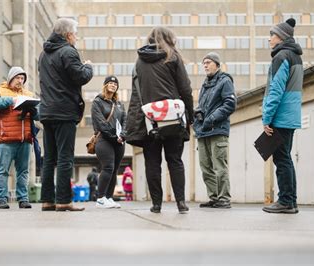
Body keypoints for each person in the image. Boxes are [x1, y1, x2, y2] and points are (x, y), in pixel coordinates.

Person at [125, 27, 194, 214]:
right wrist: (190, 115)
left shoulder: (139, 61)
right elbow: (185, 89)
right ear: (169, 38)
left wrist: (133, 123)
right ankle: (180, 202)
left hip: (150, 120)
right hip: (172, 117)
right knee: (175, 160)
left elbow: (135, 94)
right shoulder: (173, 56)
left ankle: (156, 204)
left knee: (152, 162)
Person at [38, 18, 93, 212]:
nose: (76, 37)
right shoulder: (69, 51)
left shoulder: (43, 54)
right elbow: (81, 76)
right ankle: (63, 200)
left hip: (47, 111)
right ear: (69, 34)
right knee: (65, 157)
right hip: (64, 111)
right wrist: (88, 66)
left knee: (49, 158)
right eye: (75, 34)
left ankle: (47, 201)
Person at [262, 18, 303, 214]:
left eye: (272, 34)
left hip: (280, 116)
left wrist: (267, 118)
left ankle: (285, 201)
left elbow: (275, 91)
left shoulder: (281, 57)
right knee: (285, 158)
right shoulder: (295, 56)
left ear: (281, 37)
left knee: (281, 159)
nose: (269, 38)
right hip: (290, 116)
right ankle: (291, 201)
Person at [0, 66, 37, 209]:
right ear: (10, 78)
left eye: (22, 78)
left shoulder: (28, 94)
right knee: (3, 170)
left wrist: (33, 110)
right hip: (5, 139)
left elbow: (38, 115)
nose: (20, 81)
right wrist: (10, 100)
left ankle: (23, 199)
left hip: (25, 139)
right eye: (17, 78)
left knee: (23, 171)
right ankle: (1, 199)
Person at [193, 52, 236, 209]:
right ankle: (214, 198)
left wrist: (211, 119)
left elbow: (230, 104)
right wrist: (197, 114)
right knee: (206, 167)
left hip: (217, 130)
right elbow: (204, 107)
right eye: (204, 63)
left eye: (209, 62)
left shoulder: (225, 81)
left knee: (219, 167)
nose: (205, 65)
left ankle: (224, 198)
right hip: (203, 131)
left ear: (217, 65)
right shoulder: (205, 84)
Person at [92, 76, 126, 209]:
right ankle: (100, 198)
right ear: (105, 85)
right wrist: (113, 136)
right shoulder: (98, 102)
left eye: (115, 84)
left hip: (119, 141)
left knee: (115, 169)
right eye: (110, 83)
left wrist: (123, 135)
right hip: (104, 139)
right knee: (108, 167)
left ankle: (109, 197)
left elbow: (125, 120)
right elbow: (100, 122)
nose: (113, 85)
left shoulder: (119, 104)